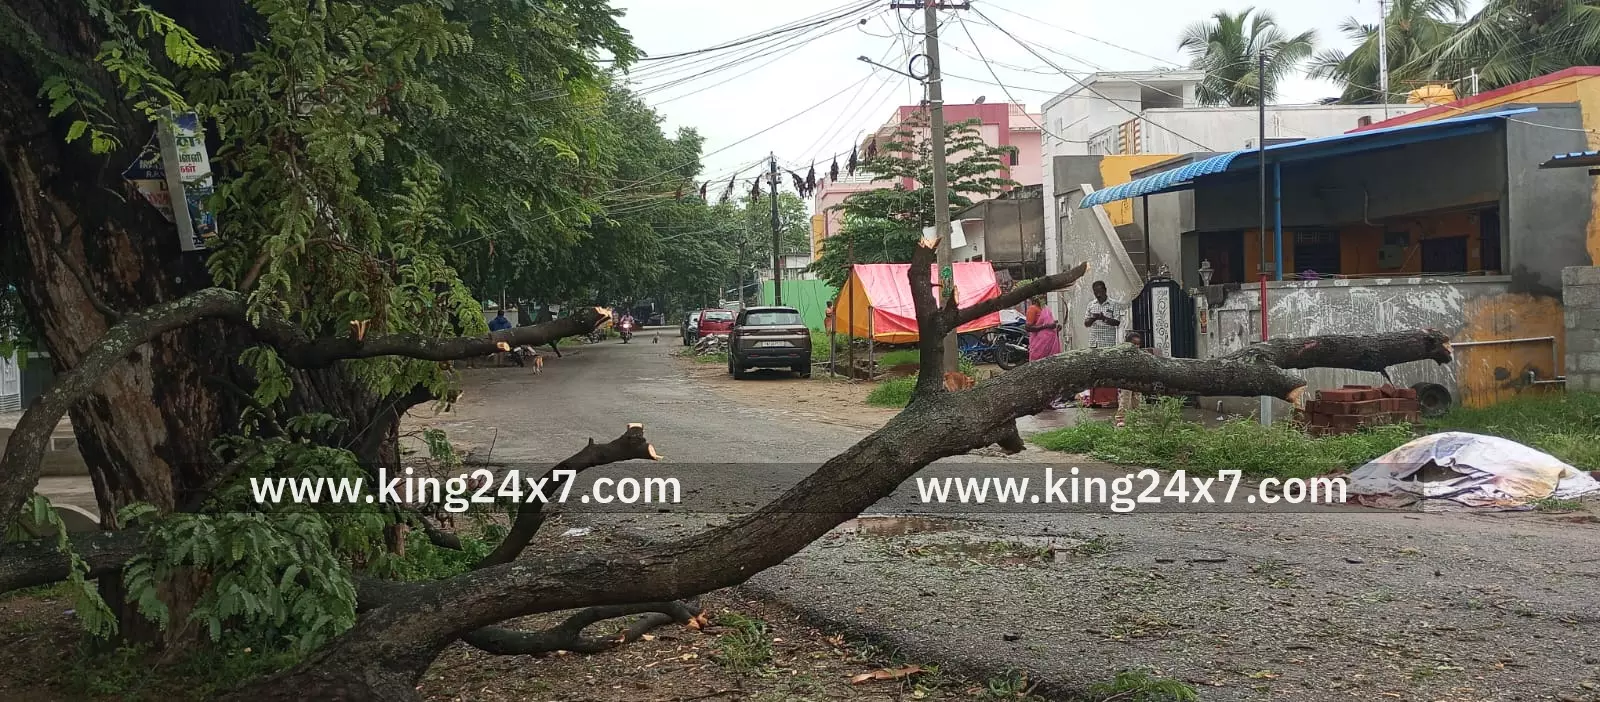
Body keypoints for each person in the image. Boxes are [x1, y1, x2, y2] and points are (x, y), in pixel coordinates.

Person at [1083, 281, 1122, 408]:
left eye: (1100, 291)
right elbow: (1086, 323)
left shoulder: (1114, 304)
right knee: (1095, 371)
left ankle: (1110, 399)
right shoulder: (1091, 305)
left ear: (1105, 290)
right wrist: (1094, 318)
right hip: (1094, 342)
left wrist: (1104, 318)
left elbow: (1117, 322)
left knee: (1108, 371)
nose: (1098, 294)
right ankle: (1095, 400)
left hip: (1108, 342)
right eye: (1095, 292)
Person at [1025, 295, 1067, 410]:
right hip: (1038, 346)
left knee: (1049, 372)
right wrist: (1046, 326)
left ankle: (1048, 401)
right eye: (1042, 296)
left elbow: (1048, 326)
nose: (1044, 298)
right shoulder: (1032, 309)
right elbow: (1028, 327)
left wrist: (1054, 328)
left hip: (1048, 345)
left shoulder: (1045, 310)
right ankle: (1037, 402)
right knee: (1038, 373)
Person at [1115, 331, 1159, 428]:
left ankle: (1136, 418)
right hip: (1125, 381)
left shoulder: (1140, 354)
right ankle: (1121, 418)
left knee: (1137, 399)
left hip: (1137, 380)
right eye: (1134, 344)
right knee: (1125, 400)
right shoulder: (1123, 353)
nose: (1136, 346)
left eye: (1138, 344)